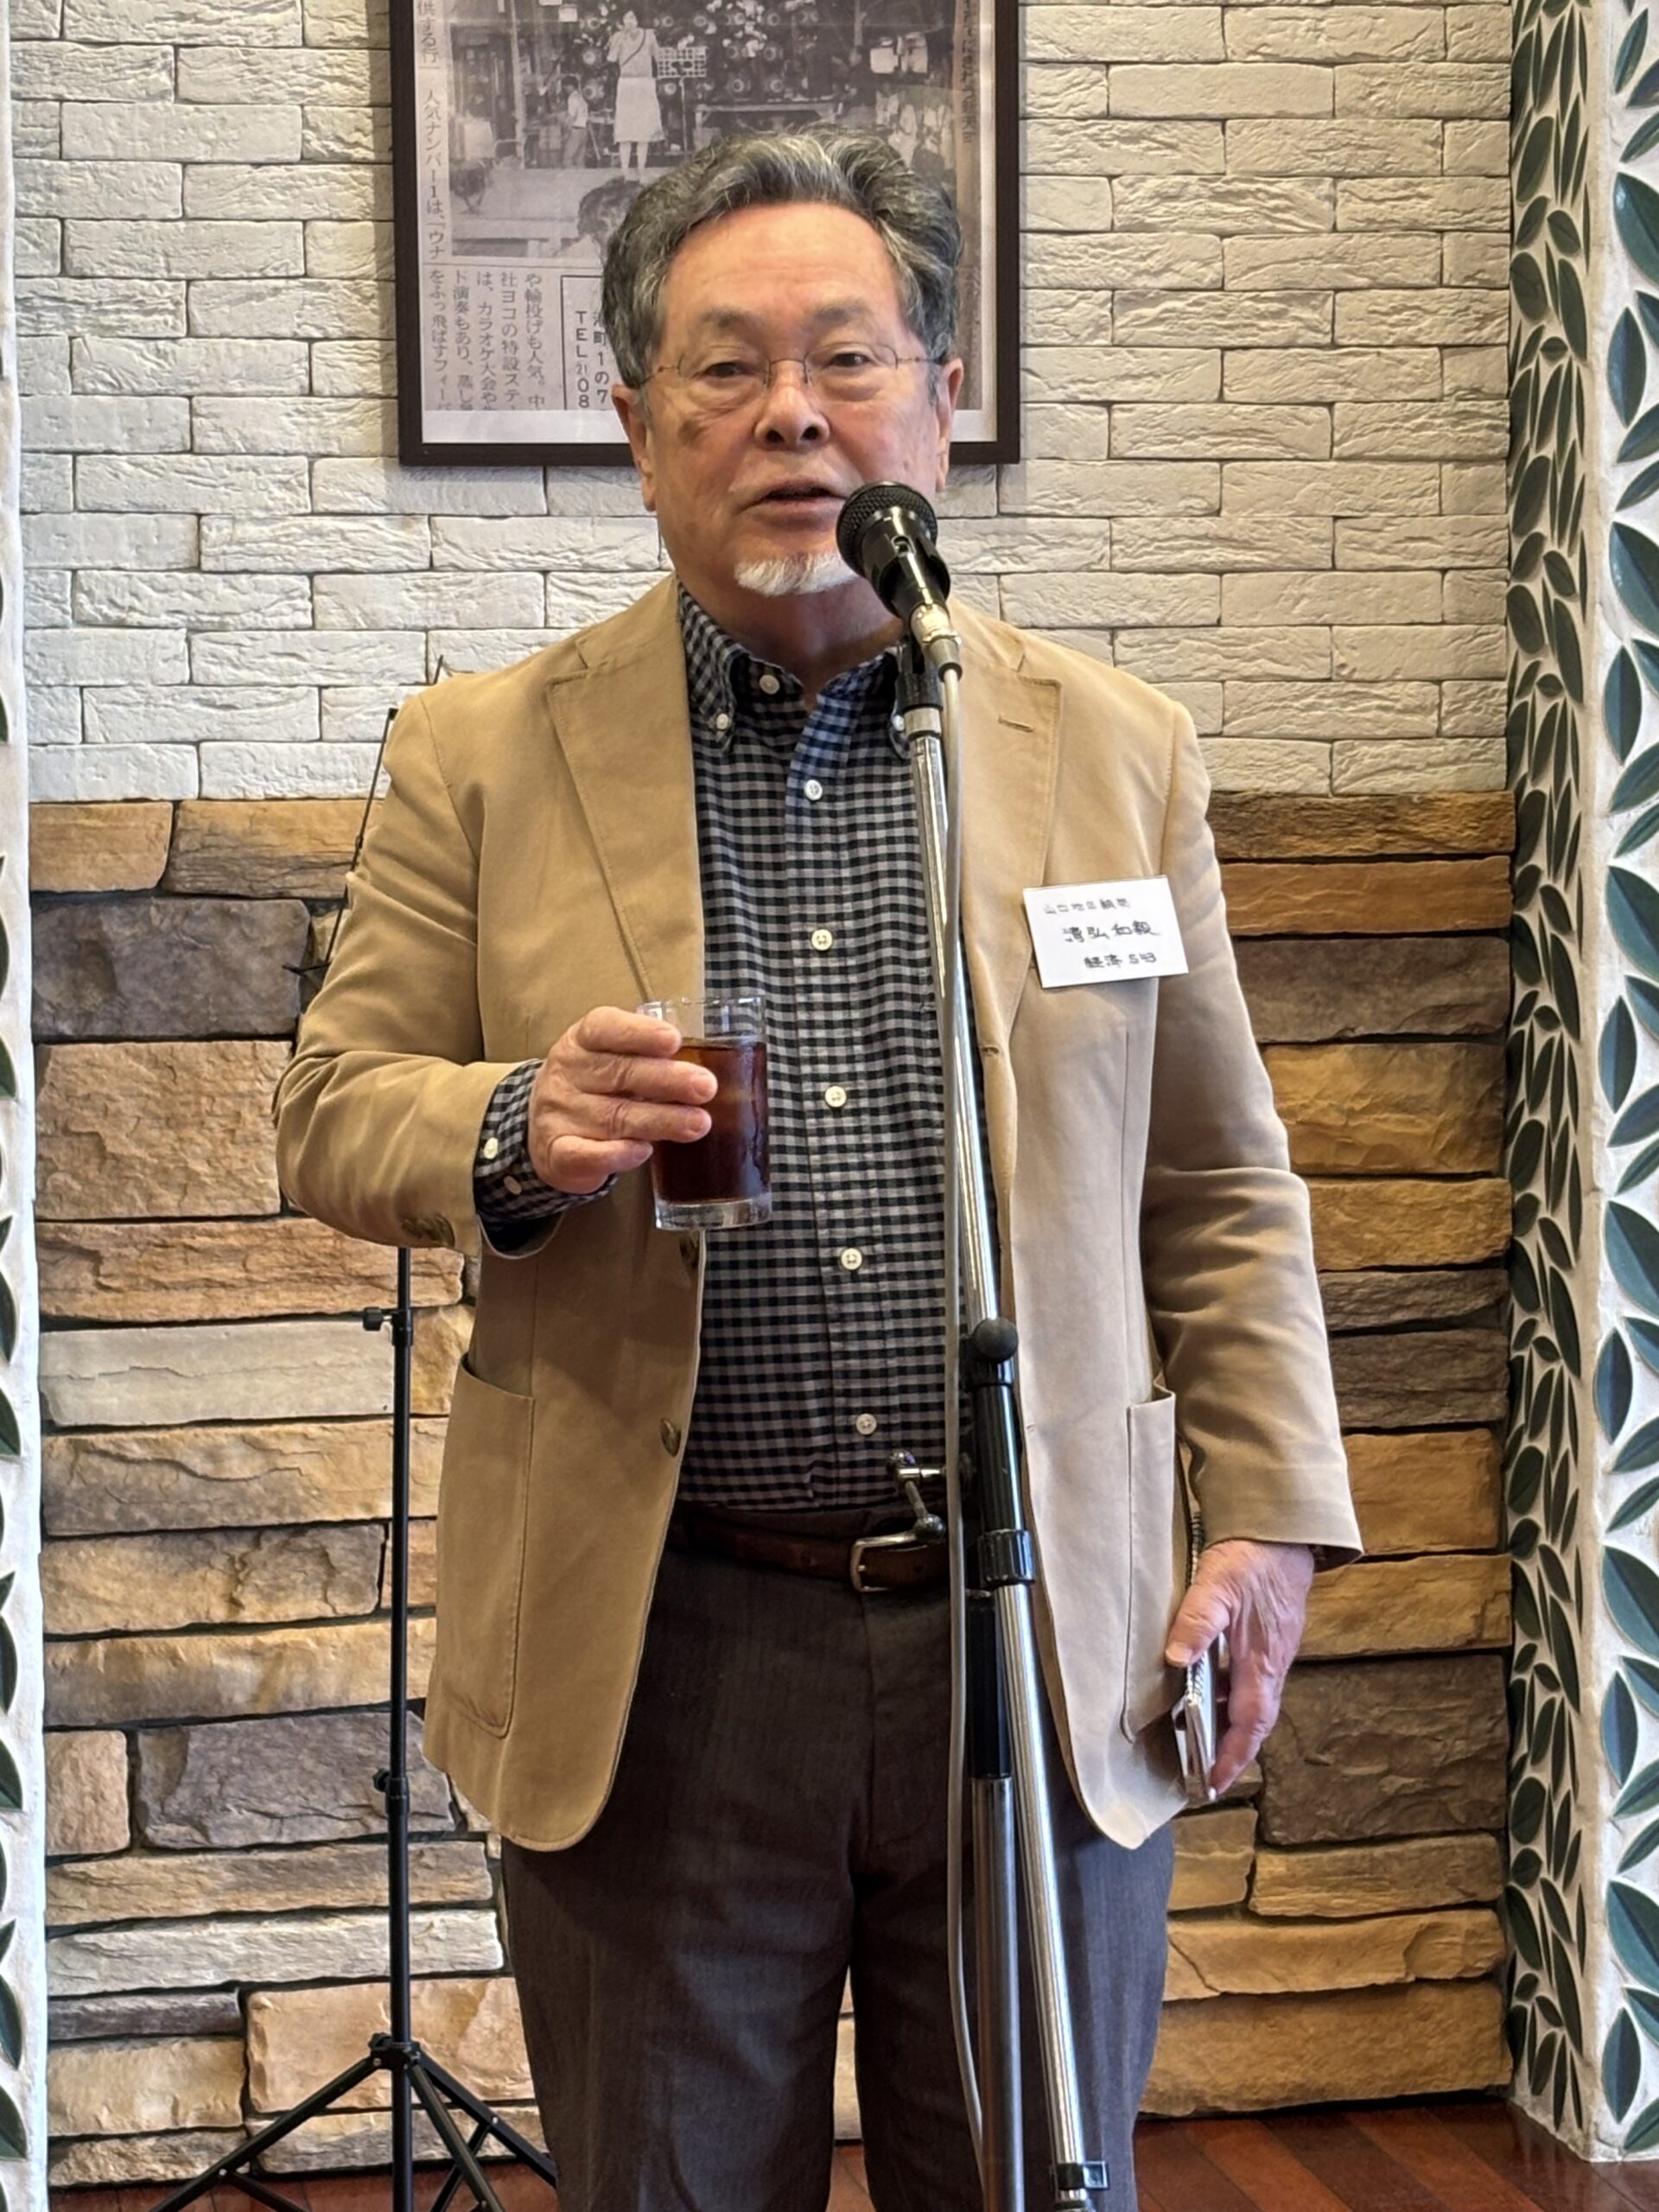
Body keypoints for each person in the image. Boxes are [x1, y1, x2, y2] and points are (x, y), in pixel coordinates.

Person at [275, 129, 1362, 2212]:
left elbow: (1218, 1183)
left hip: (1035, 1630)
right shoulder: (480, 753)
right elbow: (331, 1106)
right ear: (635, 425)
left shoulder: (1113, 745)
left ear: (937, 403)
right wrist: (512, 1122)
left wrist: (1269, 1525)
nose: (793, 412)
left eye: (847, 358)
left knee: (1033, 2183)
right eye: (726, 366)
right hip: (665, 1649)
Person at [607, 7, 662, 173]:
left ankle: (641, 171)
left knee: (643, 132)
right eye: (626, 18)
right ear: (622, 21)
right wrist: (616, 40)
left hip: (644, 84)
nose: (629, 21)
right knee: (625, 131)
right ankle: (624, 172)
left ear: (638, 19)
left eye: (632, 17)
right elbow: (611, 59)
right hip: (626, 85)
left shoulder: (649, 36)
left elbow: (659, 57)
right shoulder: (618, 37)